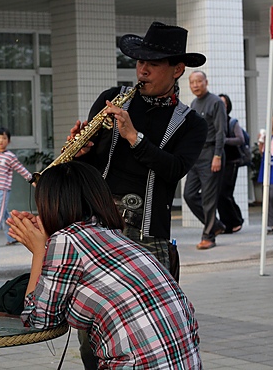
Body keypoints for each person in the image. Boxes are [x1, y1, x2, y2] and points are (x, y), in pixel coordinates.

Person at [67, 21, 207, 370]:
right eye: (139, 61)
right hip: (97, 230)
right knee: (93, 334)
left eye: (153, 63)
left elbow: (174, 170)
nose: (142, 69)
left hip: (149, 237)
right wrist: (82, 149)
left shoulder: (191, 122)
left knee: (147, 336)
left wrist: (134, 137)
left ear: (178, 69)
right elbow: (93, 158)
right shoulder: (111, 98)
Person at [7, 161, 201, 369]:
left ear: (50, 204)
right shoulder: (112, 235)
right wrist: (46, 240)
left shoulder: (66, 240)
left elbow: (38, 319)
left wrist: (39, 252)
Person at [184, 70, 227, 250]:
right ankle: (215, 225)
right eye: (192, 82)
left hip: (211, 154)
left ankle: (209, 236)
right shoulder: (194, 103)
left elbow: (220, 131)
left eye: (198, 81)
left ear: (206, 82)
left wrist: (217, 155)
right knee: (189, 194)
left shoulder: (216, 102)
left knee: (209, 198)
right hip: (197, 156)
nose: (195, 85)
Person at [216, 93, 244, 234]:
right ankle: (226, 224)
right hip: (218, 161)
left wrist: (223, 140)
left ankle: (236, 220)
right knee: (219, 194)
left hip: (232, 161)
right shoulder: (214, 121)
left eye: (224, 104)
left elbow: (240, 139)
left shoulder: (232, 122)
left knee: (225, 193)